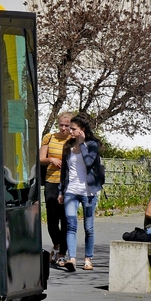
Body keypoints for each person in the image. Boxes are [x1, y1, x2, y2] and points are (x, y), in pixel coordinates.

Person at [58, 113, 105, 272]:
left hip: (88, 192)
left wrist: (82, 143)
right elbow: (64, 172)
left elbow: (89, 162)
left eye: (73, 129)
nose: (70, 131)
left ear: (82, 130)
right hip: (71, 191)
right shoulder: (67, 147)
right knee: (71, 225)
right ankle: (72, 258)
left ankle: (88, 258)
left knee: (88, 227)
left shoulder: (92, 145)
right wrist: (61, 191)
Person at [39, 112, 72, 264]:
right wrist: (50, 159)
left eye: (67, 126)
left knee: (66, 219)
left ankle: (62, 253)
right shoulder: (49, 137)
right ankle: (57, 244)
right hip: (51, 181)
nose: (64, 128)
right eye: (61, 125)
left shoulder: (74, 139)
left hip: (69, 183)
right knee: (52, 219)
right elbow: (40, 159)